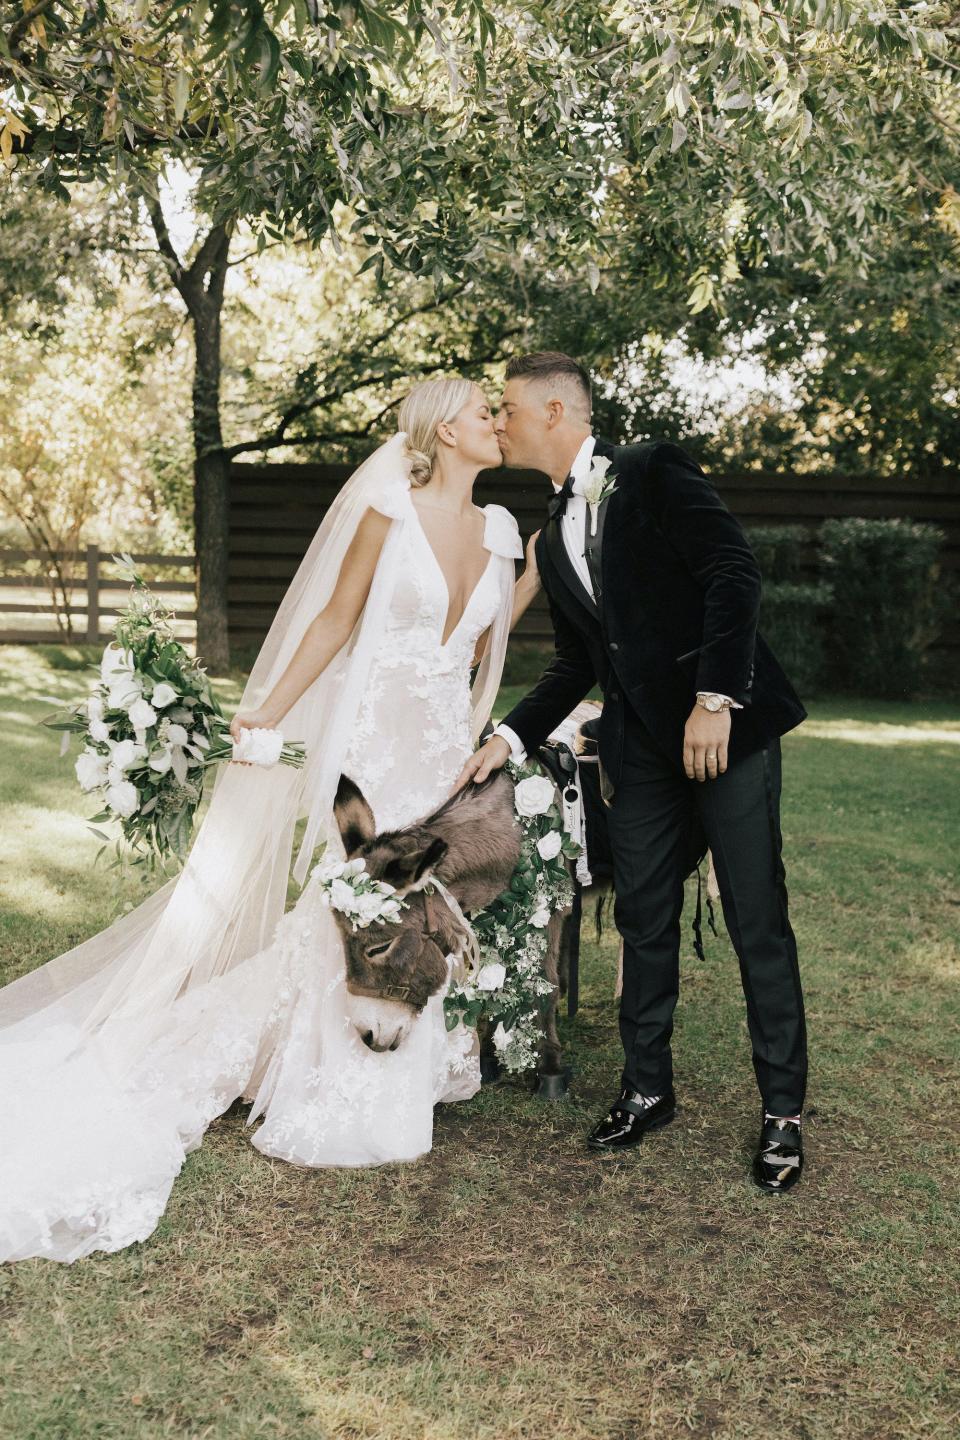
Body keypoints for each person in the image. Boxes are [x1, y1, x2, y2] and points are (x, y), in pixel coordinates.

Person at [0, 377, 539, 1263]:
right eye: (485, 413)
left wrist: (492, 700)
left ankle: (408, 1068)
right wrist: (268, 712)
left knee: (420, 906)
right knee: (354, 904)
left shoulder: (500, 533)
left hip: (440, 750)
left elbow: (483, 649)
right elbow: (332, 622)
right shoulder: (387, 513)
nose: (498, 422)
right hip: (368, 750)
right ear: (445, 430)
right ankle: (330, 1088)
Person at [456, 352, 809, 1193]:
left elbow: (734, 572)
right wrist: (508, 737)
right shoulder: (550, 529)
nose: (498, 421)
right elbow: (577, 660)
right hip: (639, 750)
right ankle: (648, 1087)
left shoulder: (648, 470)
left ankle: (784, 1114)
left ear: (552, 409)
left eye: (505, 407)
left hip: (725, 730)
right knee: (644, 915)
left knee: (757, 918)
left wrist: (715, 698)